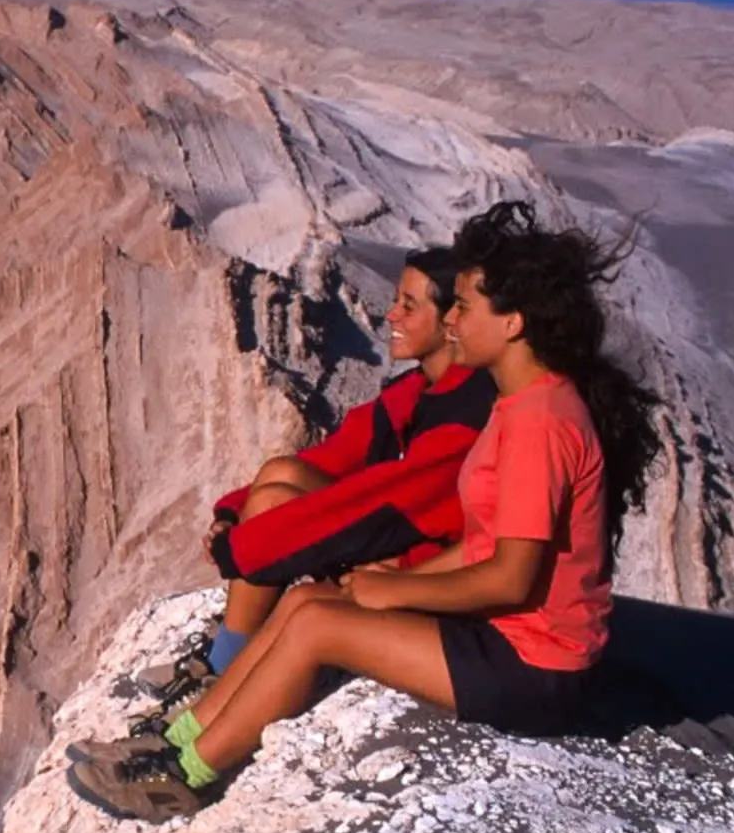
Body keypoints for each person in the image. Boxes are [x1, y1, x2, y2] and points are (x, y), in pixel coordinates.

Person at [66, 200, 663, 822]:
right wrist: (391, 585)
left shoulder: (539, 423)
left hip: (534, 667)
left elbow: (511, 577)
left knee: (319, 627)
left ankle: (185, 777)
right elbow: (486, 543)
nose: (452, 321)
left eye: (464, 306)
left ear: (513, 322)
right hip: (503, 637)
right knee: (304, 603)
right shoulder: (521, 405)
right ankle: (178, 738)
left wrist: (397, 591)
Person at [119, 246, 497, 728]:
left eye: (408, 304)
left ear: (450, 321)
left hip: (420, 573)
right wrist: (233, 513)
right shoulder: (418, 390)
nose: (391, 314)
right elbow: (332, 459)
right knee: (281, 474)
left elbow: (382, 504)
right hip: (399, 542)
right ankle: (226, 660)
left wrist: (251, 547)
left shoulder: (465, 413)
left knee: (277, 500)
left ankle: (226, 668)